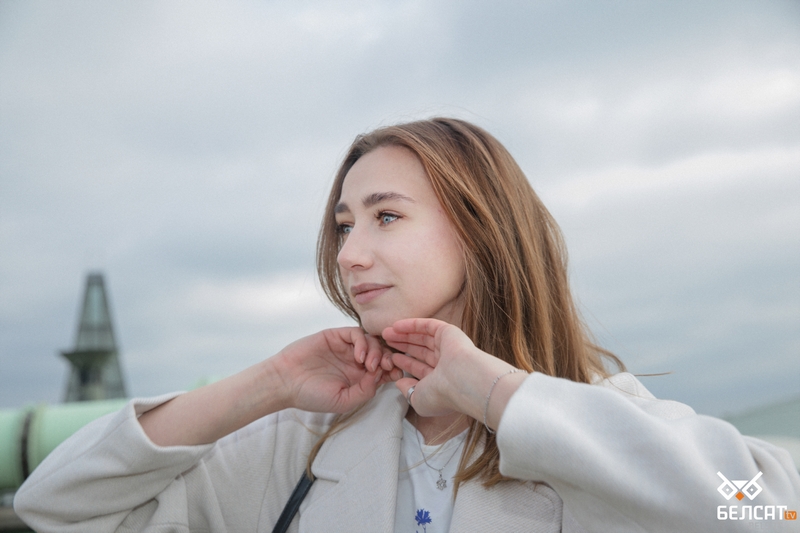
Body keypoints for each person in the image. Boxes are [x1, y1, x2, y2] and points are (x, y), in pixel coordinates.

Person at [14, 118, 800, 532]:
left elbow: (765, 511)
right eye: (344, 225)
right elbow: (61, 506)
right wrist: (267, 384)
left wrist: (496, 393)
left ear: (482, 229)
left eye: (386, 216)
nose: (352, 253)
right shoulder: (299, 442)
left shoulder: (599, 421)